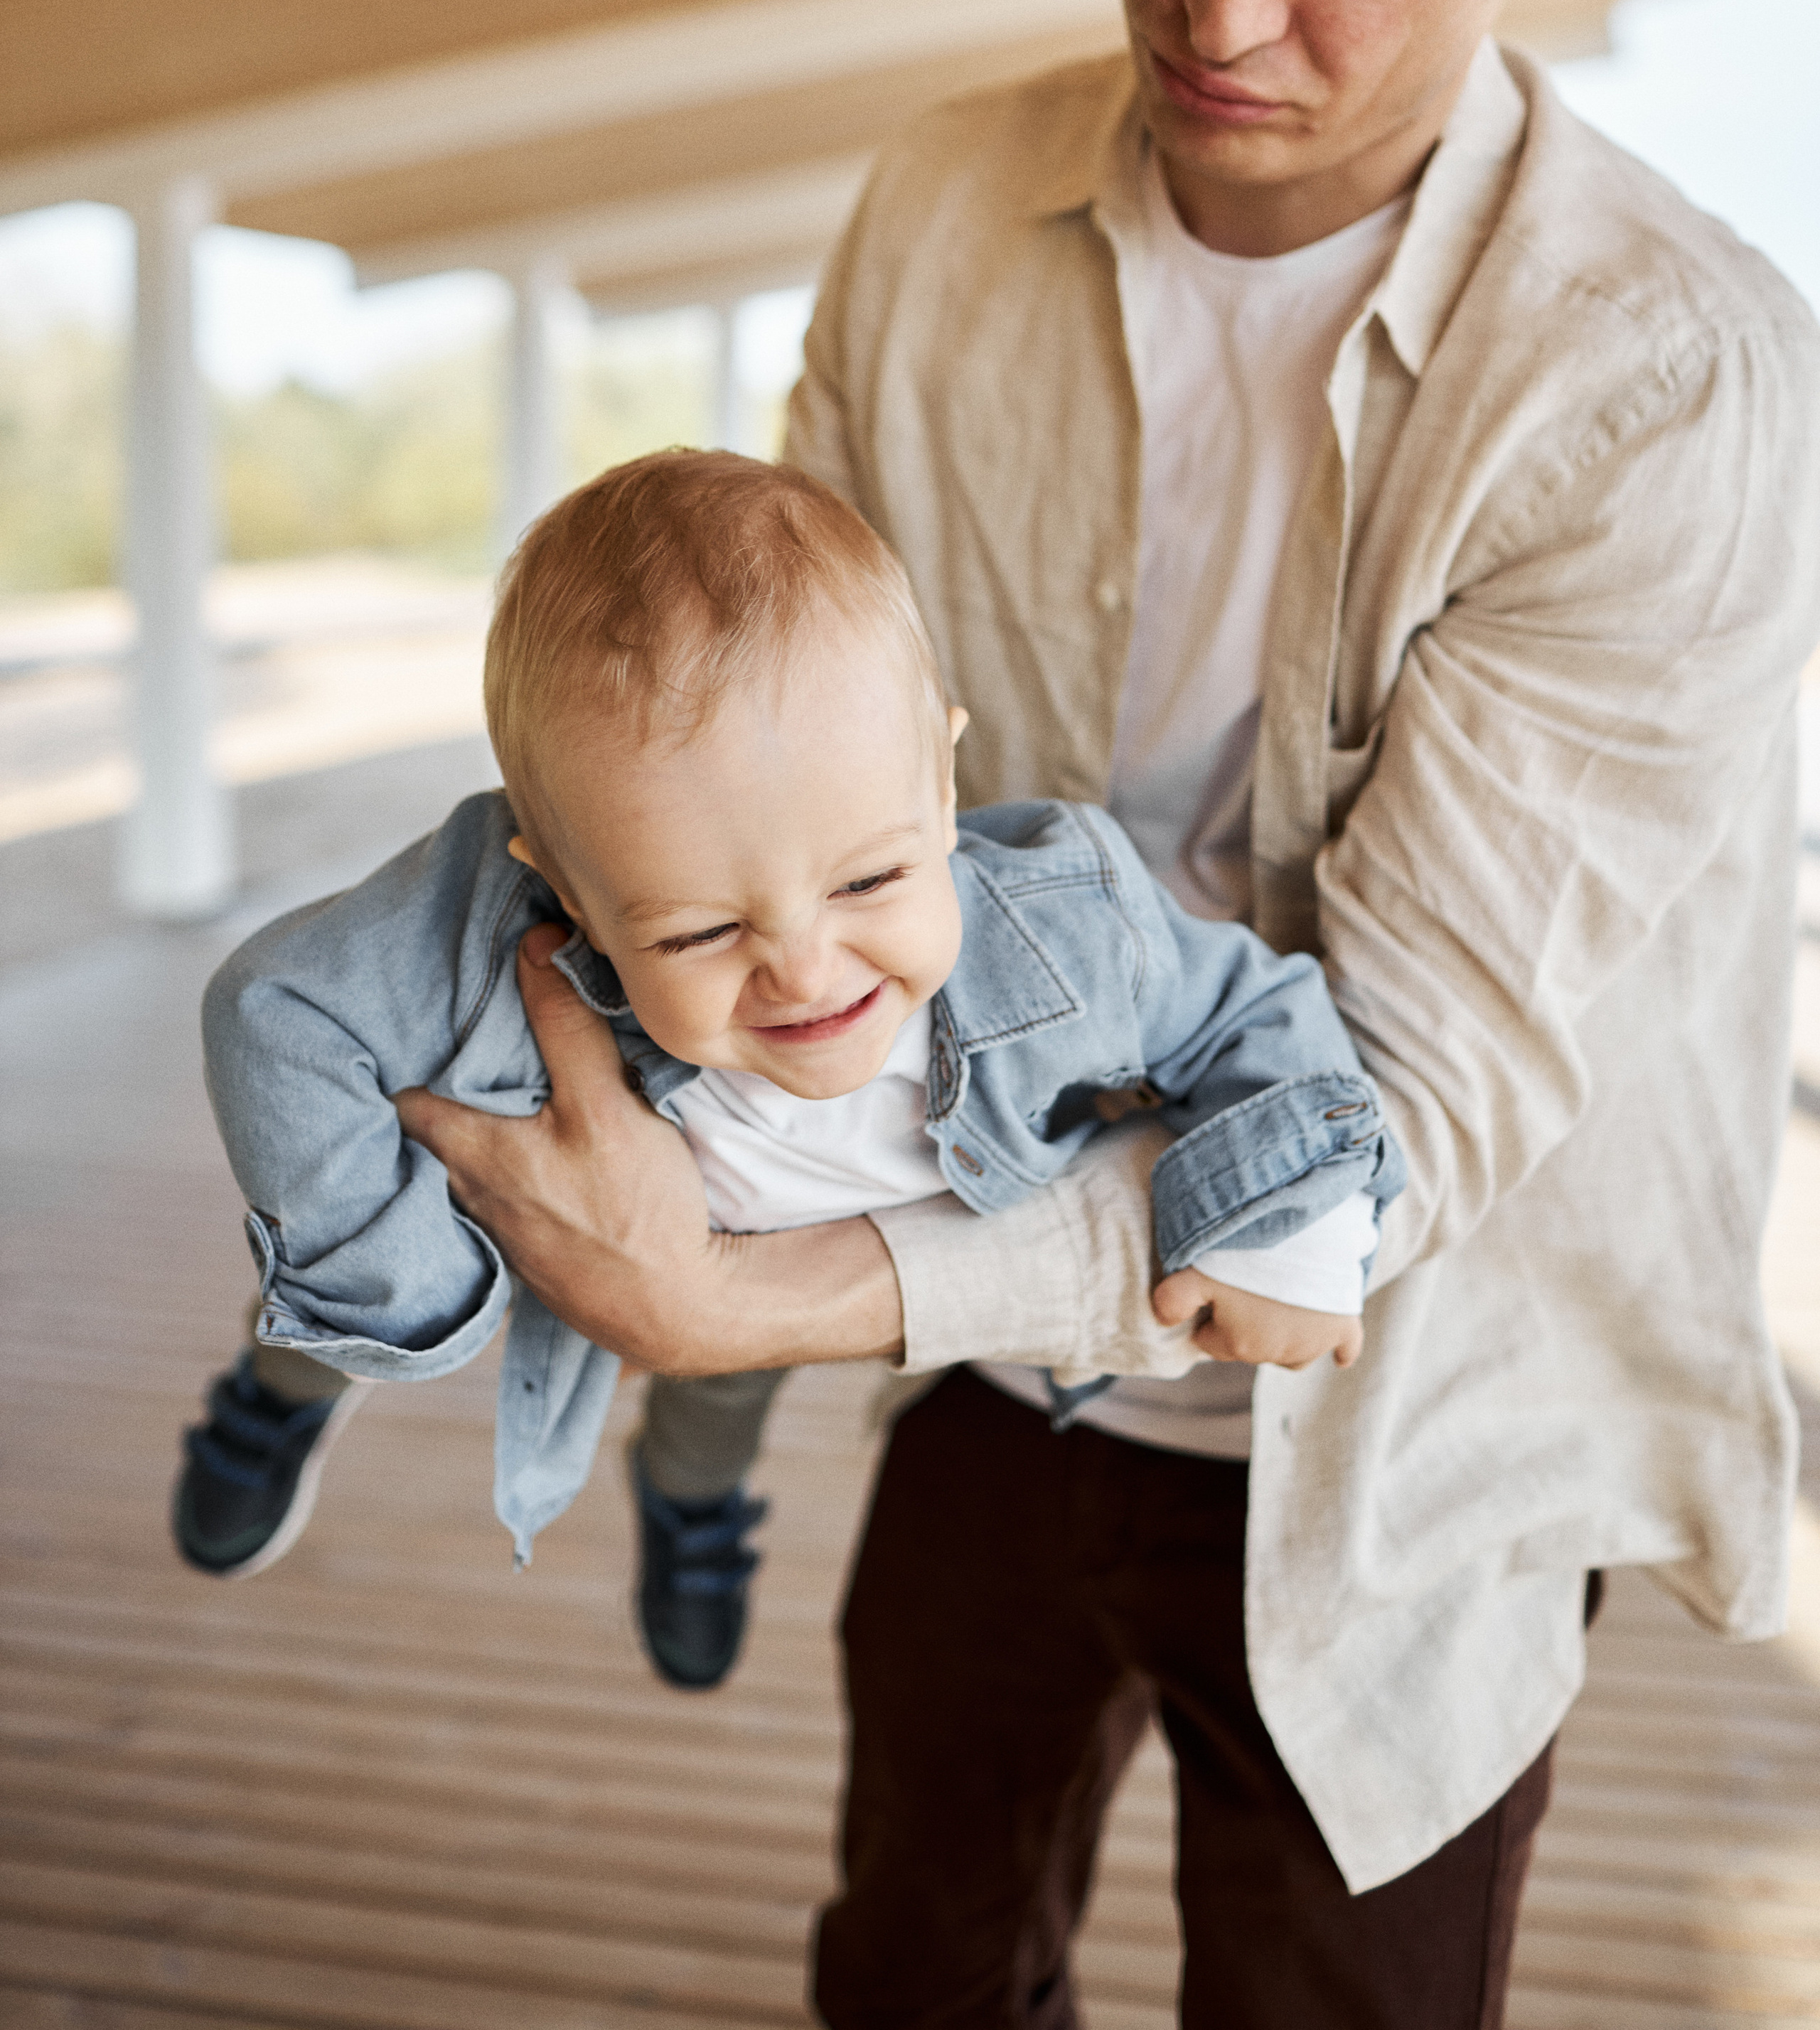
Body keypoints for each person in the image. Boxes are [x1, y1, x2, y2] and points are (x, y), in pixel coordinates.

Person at [392, 0, 1820, 2029]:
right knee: (914, 1968)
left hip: (1410, 1442)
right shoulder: (938, 217)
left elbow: (1378, 1135)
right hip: (979, 1372)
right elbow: (749, 762)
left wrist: (738, 1306)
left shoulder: (1679, 389)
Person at [175, 450, 1403, 1690]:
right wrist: (412, 1291)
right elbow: (267, 1009)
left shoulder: (1071, 934)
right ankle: (283, 1390)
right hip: (496, 1202)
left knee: (724, 1389)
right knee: (336, 1306)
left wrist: (1282, 1237)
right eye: (700, 933)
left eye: (871, 880)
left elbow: (1261, 1015)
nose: (808, 977)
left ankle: (687, 1501)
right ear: (565, 886)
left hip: (767, 1270)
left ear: (941, 780)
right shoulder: (478, 928)